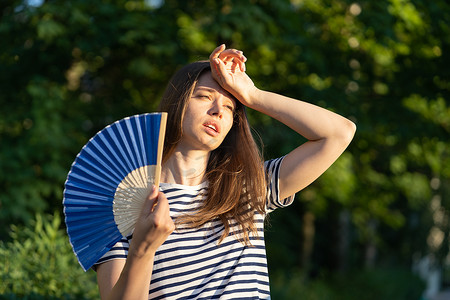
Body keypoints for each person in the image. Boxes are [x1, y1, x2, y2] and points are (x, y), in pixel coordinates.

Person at [94, 44, 356, 299]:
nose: (218, 111)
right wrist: (142, 248)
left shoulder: (249, 187)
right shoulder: (125, 203)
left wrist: (252, 95)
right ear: (177, 103)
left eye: (230, 107)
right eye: (205, 96)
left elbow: (338, 134)